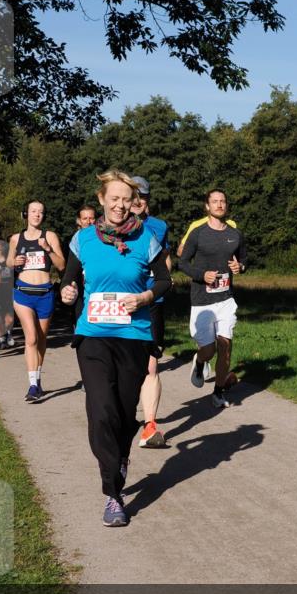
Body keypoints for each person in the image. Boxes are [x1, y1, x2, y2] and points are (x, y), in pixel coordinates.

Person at [60, 170, 171, 527]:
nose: (121, 205)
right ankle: (113, 492)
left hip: (134, 336)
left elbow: (166, 279)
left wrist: (146, 296)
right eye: (115, 198)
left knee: (124, 414)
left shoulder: (146, 239)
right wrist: (68, 291)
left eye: (127, 199)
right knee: (101, 408)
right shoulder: (83, 239)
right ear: (102, 199)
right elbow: (70, 277)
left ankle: (120, 457)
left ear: (134, 202)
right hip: (92, 334)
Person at [179, 189, 246, 408]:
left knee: (225, 345)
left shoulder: (236, 234)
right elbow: (183, 263)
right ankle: (200, 362)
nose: (219, 205)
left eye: (222, 201)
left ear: (226, 205)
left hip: (226, 300)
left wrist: (240, 267)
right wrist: (202, 275)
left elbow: (244, 260)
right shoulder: (198, 233)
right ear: (207, 206)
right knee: (208, 350)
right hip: (202, 301)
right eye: (214, 202)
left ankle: (218, 392)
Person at [6, 201, 65, 402]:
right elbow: (7, 262)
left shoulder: (50, 236)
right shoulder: (16, 238)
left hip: (45, 293)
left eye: (41, 212)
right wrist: (13, 262)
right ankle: (32, 385)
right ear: (25, 214)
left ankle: (37, 379)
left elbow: (61, 264)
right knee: (30, 338)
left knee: (40, 339)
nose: (37, 215)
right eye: (33, 211)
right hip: (22, 294)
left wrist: (48, 249)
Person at [130, 177, 172, 449]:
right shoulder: (109, 227)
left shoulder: (159, 226)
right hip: (121, 302)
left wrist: (164, 280)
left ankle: (150, 425)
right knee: (124, 366)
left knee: (151, 364)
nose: (137, 201)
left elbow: (164, 259)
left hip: (152, 300)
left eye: (142, 196)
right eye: (133, 196)